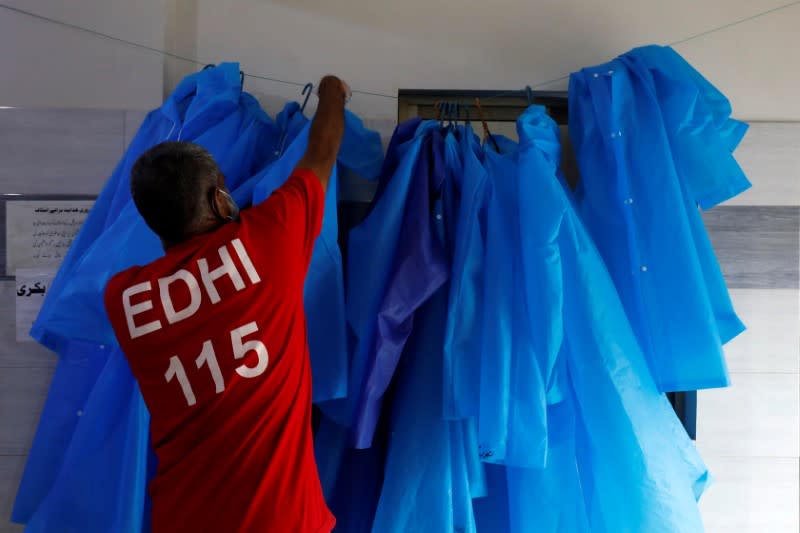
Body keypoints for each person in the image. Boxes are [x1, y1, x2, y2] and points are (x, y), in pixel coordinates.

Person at [103, 75, 351, 532]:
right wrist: (333, 93)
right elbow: (321, 156)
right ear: (220, 197)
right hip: (280, 520)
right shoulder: (268, 239)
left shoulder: (124, 298)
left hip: (183, 518)